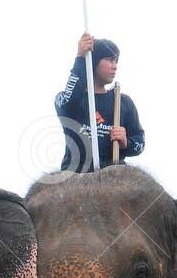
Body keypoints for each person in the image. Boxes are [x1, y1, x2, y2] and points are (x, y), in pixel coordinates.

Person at [54, 33, 144, 173]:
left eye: (116, 61)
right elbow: (66, 102)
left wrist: (126, 142)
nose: (114, 66)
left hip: (113, 179)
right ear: (93, 62)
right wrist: (80, 58)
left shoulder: (123, 102)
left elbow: (140, 143)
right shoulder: (70, 100)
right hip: (75, 179)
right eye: (109, 60)